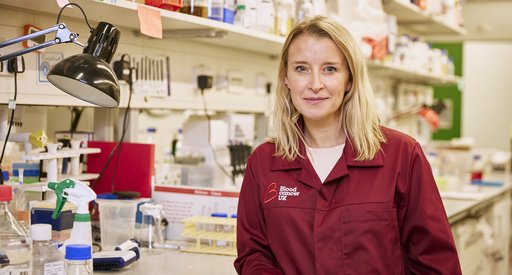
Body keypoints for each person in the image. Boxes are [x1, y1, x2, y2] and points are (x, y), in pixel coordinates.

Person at [234, 16, 462, 274]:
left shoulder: (401, 155)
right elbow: (254, 255)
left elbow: (436, 263)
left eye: (330, 69)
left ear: (349, 80)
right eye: (301, 69)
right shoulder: (264, 162)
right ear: (286, 78)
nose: (315, 84)